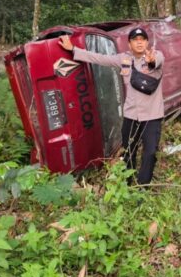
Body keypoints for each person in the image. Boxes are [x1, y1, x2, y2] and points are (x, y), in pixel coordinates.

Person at [58, 27, 164, 185]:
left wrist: (151, 61)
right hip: (131, 116)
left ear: (147, 42)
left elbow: (156, 62)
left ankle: (143, 187)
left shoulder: (156, 55)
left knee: (149, 153)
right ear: (129, 44)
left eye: (142, 39)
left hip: (152, 116)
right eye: (136, 40)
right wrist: (73, 50)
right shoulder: (124, 59)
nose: (139, 42)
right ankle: (128, 183)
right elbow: (100, 58)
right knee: (129, 151)